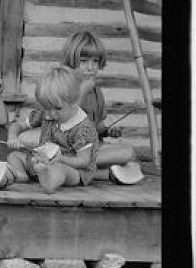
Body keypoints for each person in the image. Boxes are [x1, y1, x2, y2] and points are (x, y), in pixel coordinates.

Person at [6, 65, 99, 194]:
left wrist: (60, 159)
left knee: (59, 170)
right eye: (46, 108)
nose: (50, 114)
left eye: (57, 109)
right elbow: (18, 125)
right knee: (14, 156)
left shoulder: (83, 128)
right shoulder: (47, 112)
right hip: (40, 161)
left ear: (73, 101)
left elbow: (83, 161)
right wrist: (13, 137)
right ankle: (21, 176)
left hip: (71, 168)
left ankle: (50, 182)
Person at [60, 30, 141, 176]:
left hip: (90, 147)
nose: (90, 67)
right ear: (71, 60)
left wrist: (108, 130)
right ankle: (75, 166)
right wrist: (82, 92)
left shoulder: (96, 91)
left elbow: (95, 126)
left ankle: (80, 169)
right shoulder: (62, 85)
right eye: (83, 61)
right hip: (67, 148)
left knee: (127, 151)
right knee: (124, 156)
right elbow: (64, 121)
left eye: (95, 61)